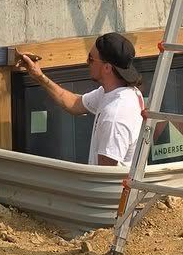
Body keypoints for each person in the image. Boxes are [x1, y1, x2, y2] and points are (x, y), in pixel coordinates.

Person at [16, 32, 144, 166]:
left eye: (91, 58)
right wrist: (39, 76)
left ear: (107, 68)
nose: (87, 62)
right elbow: (75, 104)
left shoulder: (115, 115)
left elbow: (106, 176)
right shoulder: (122, 92)